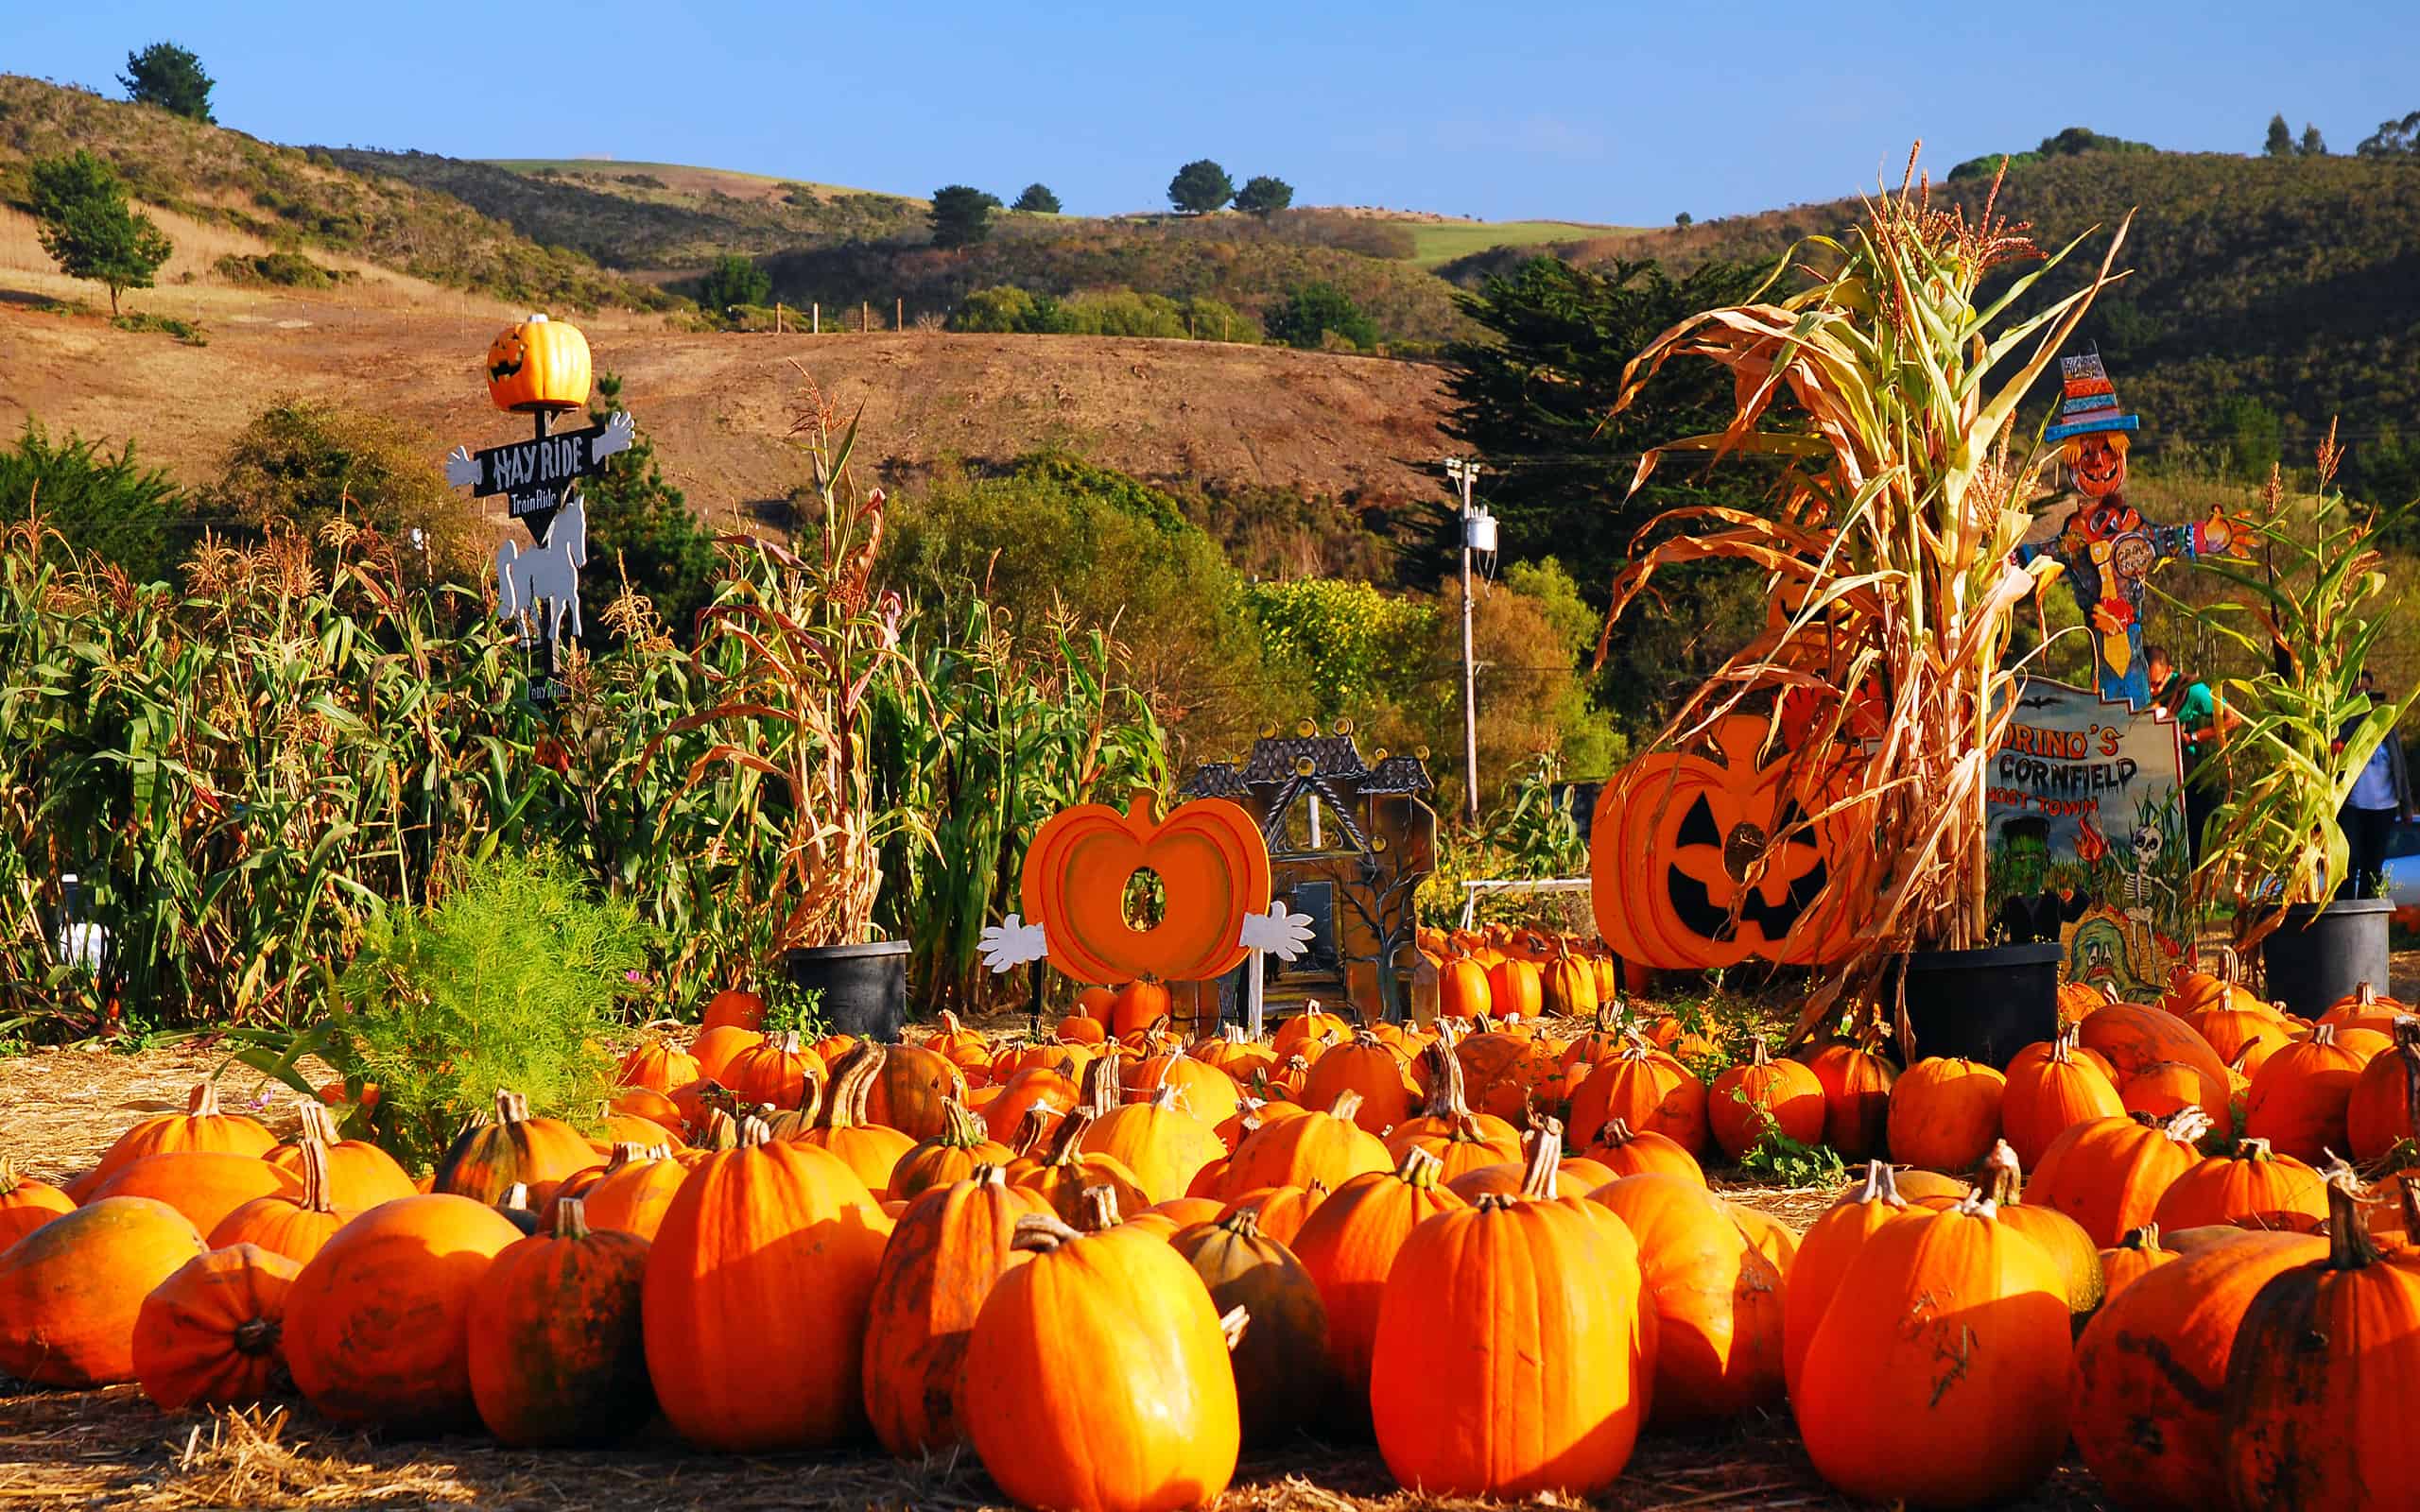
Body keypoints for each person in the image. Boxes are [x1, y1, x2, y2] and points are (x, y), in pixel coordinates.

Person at [2339, 668, 2415, 900]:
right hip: (2353, 806)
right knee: (2349, 862)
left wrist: (2406, 806)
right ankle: (2344, 907)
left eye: (2368, 691)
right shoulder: (2346, 724)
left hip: (2383, 807)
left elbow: (2399, 765)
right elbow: (2338, 747)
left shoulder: (2387, 728)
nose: (2365, 696)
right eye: (2359, 691)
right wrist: (2356, 717)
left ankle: (2367, 909)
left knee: (2374, 865)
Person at [2146, 645, 2221, 868]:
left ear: (2169, 671)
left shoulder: (2190, 689)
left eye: (2157, 684)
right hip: (2151, 780)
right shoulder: (2134, 689)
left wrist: (2192, 738)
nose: (2151, 691)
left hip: (2186, 778)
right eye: (2147, 684)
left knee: (2191, 844)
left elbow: (2232, 718)